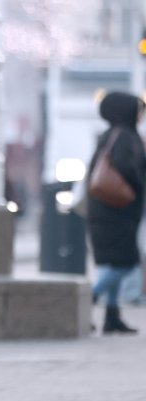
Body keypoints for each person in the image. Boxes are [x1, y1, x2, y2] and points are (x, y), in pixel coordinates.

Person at [86, 91, 146, 334]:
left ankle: (112, 315)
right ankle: (86, 300)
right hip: (117, 211)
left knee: (114, 261)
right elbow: (127, 168)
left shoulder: (110, 135)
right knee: (126, 263)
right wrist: (140, 185)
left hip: (108, 210)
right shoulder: (125, 136)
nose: (141, 115)